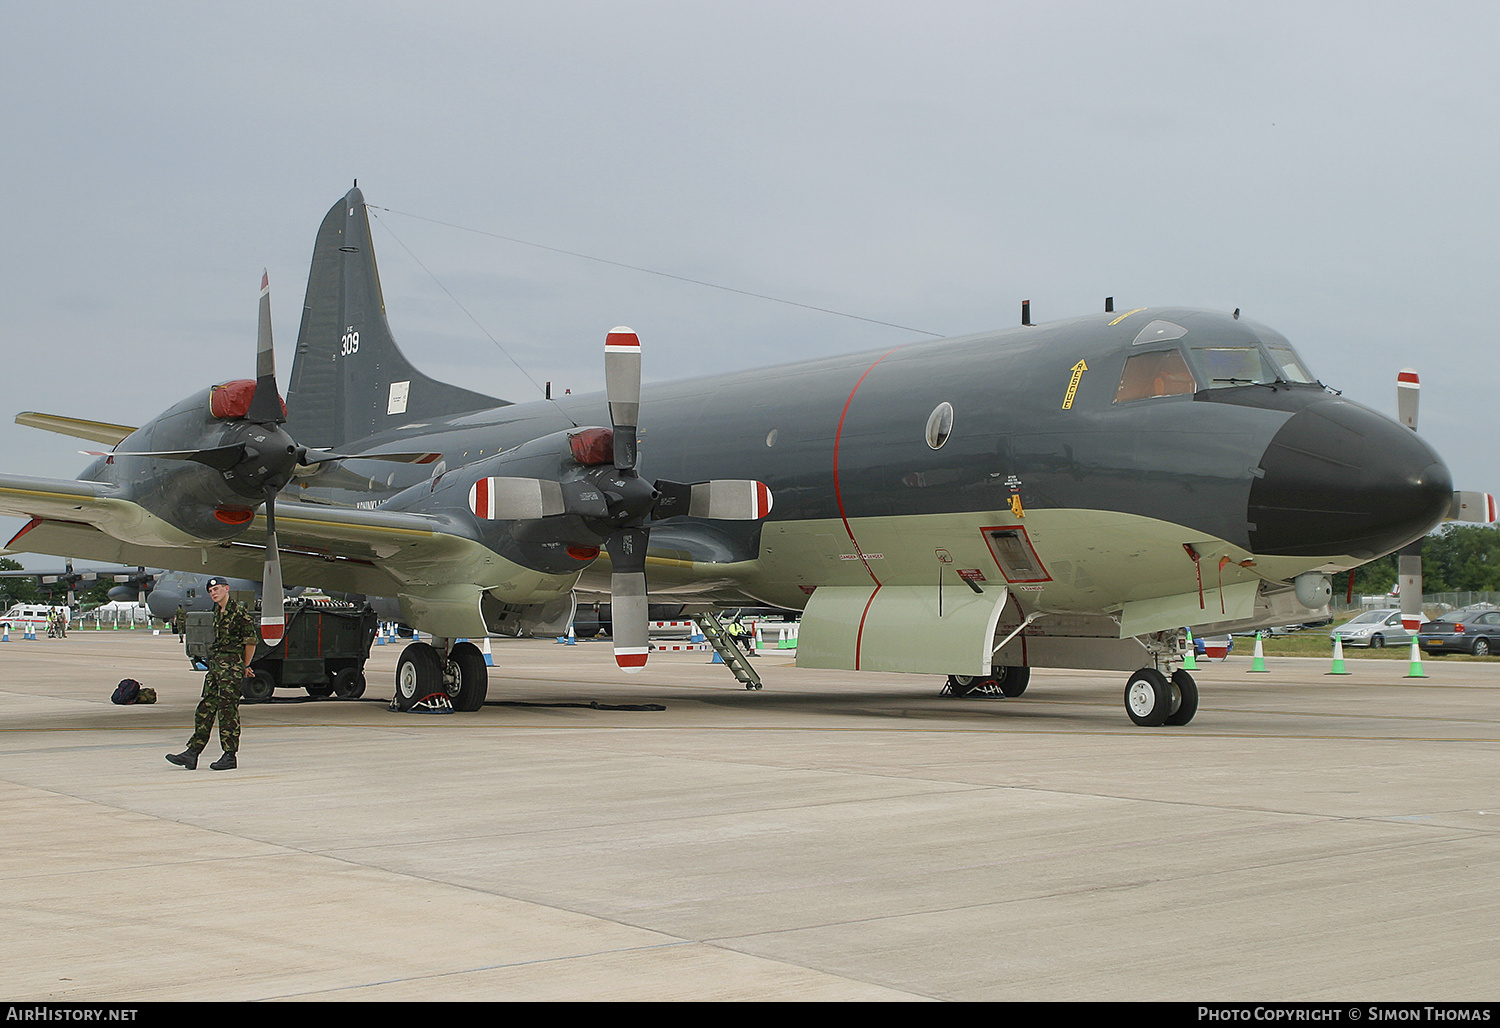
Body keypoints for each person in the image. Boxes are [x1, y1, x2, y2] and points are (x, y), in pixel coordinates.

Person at [166, 577, 258, 771]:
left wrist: (244, 665)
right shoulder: (217, 611)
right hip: (217, 667)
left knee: (227, 711)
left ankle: (229, 755)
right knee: (205, 709)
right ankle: (192, 753)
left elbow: (250, 641)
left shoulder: (239, 611)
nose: (214, 593)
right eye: (211, 591)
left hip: (231, 668)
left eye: (217, 589)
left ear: (227, 589)